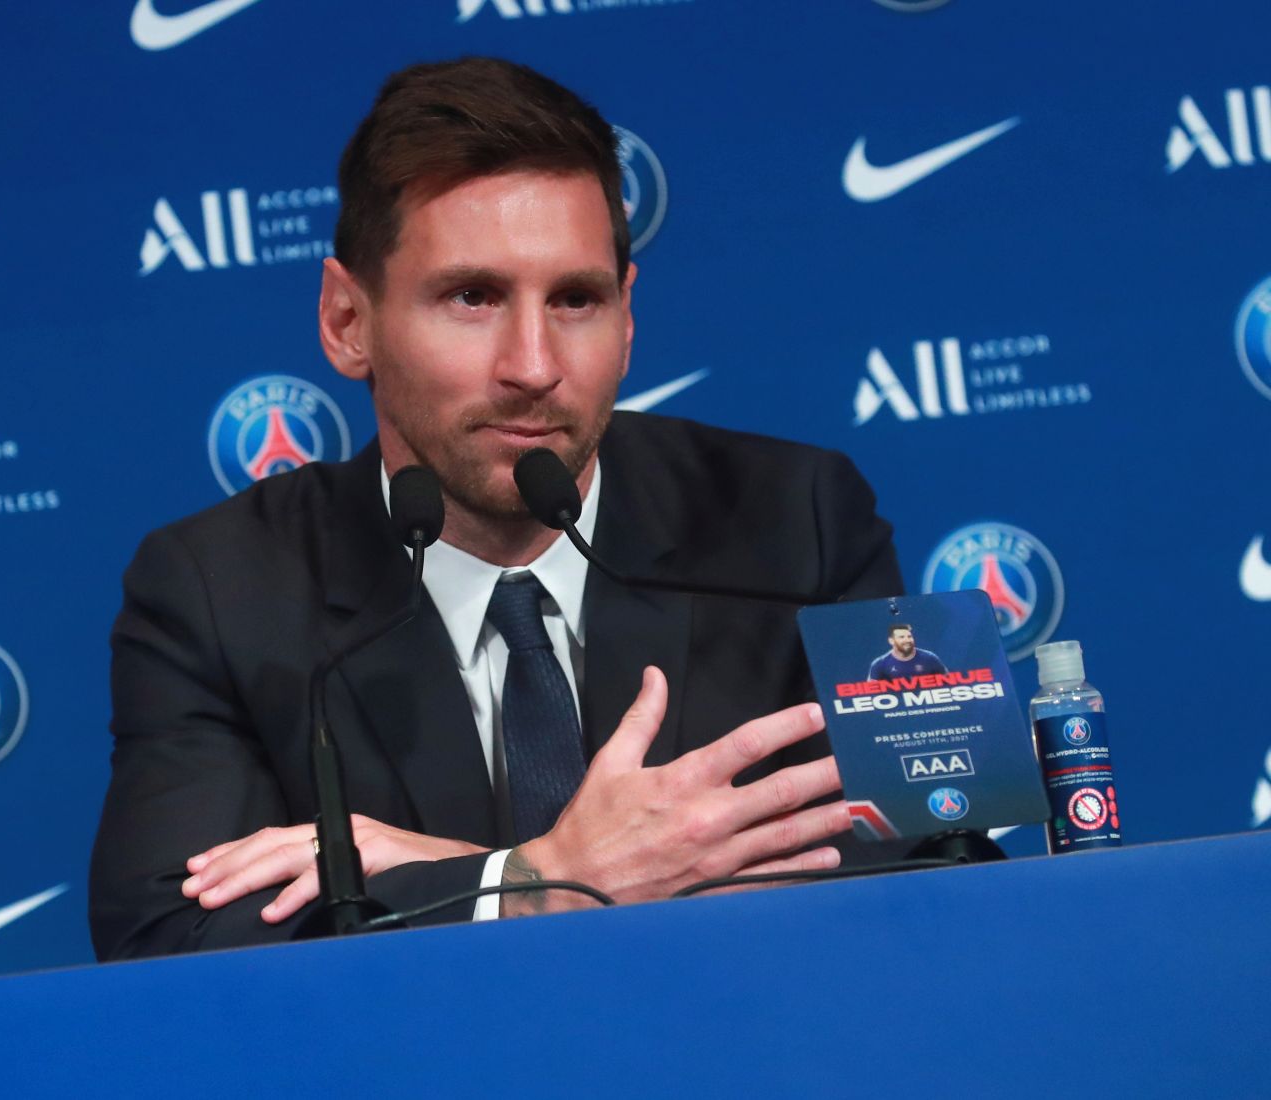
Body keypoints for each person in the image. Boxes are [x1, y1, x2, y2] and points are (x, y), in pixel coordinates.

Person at [88, 57, 902, 960]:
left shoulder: (796, 519)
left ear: (628, 317)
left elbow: (943, 853)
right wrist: (527, 883)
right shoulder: (219, 590)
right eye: (472, 297)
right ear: (347, 321)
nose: (532, 364)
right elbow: (167, 935)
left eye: (576, 299)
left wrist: (510, 876)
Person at [867, 624, 947, 680]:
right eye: (901, 637)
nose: (907, 640)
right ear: (891, 641)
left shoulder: (930, 658)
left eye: (909, 636)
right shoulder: (879, 664)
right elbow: (871, 692)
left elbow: (949, 681)